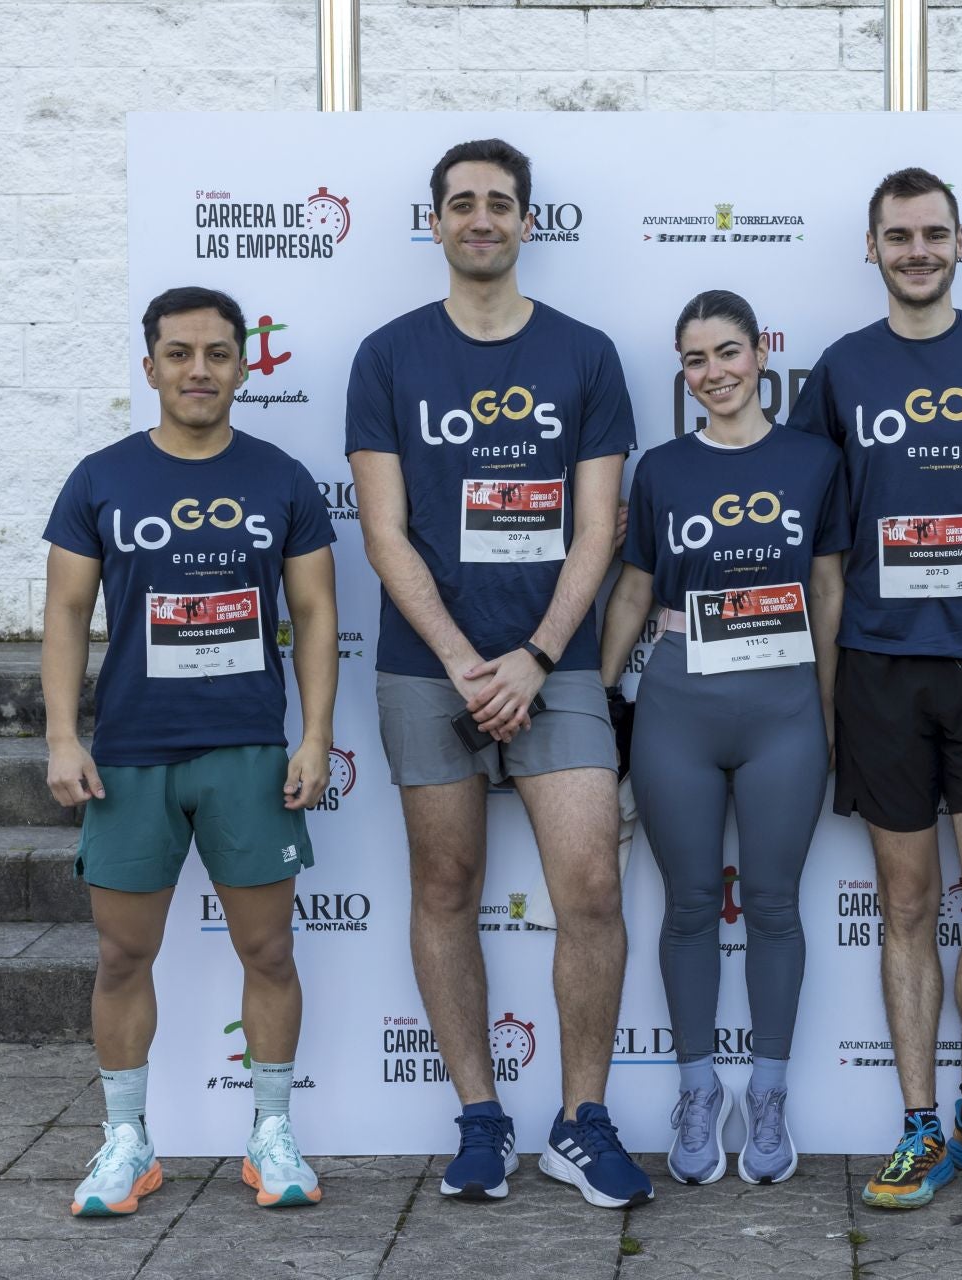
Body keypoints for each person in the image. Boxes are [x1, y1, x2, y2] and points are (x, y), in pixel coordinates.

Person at [346, 138, 649, 1209]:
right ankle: (480, 1117)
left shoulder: (586, 354)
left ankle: (583, 1118)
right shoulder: (386, 357)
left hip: (551, 660)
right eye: (463, 202)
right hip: (429, 666)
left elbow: (598, 524)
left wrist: (533, 655)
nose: (482, 217)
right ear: (436, 222)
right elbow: (384, 534)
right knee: (444, 886)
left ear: (529, 223)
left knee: (595, 886)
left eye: (501, 203)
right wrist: (467, 659)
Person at [786, 166, 962, 1209]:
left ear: (961, 242)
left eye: (933, 232)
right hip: (878, 664)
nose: (916, 249)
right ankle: (915, 1125)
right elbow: (806, 529)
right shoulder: (841, 370)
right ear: (872, 248)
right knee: (906, 899)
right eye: (897, 235)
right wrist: (822, 682)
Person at [42, 286, 338, 1216]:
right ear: (151, 368)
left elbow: (319, 613)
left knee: (270, 949)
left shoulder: (282, 478)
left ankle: (273, 1136)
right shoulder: (101, 478)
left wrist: (318, 735)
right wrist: (59, 734)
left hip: (248, 752)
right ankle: (127, 1143)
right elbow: (63, 614)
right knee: (122, 956)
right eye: (179, 354)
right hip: (131, 755)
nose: (198, 370)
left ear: (245, 366)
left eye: (216, 353)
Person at [598, 289, 849, 1188]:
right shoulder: (662, 469)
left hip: (784, 708)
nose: (715, 374)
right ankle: (699, 1091)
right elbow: (631, 591)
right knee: (691, 904)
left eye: (729, 353)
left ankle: (769, 1095)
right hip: (679, 705)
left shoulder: (815, 461)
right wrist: (595, 697)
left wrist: (827, 713)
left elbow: (828, 591)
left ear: (759, 355)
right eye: (696, 361)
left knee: (776, 906)